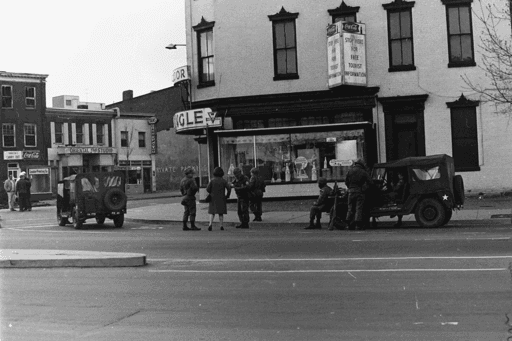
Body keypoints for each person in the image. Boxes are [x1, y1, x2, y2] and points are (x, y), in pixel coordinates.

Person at [345, 159, 371, 230]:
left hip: (351, 191)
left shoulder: (350, 171)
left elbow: (346, 181)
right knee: (358, 208)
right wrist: (364, 188)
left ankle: (347, 224)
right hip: (359, 192)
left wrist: (350, 187)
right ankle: (357, 225)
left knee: (350, 208)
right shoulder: (363, 172)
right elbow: (370, 182)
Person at [206, 167, 231, 231]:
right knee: (221, 213)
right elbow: (229, 188)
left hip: (213, 197)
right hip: (221, 197)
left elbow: (208, 189)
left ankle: (210, 224)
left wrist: (211, 192)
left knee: (212, 212)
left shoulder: (212, 180)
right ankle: (221, 225)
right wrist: (227, 195)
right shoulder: (223, 181)